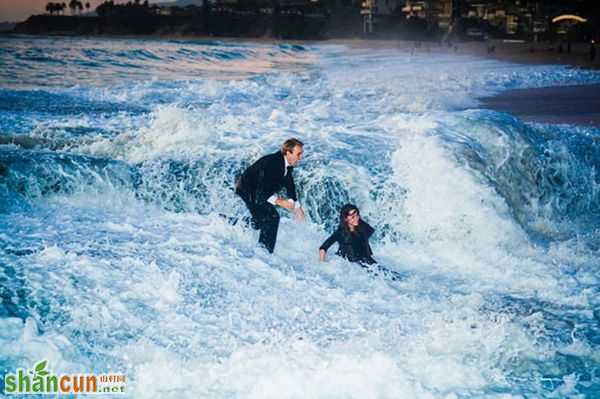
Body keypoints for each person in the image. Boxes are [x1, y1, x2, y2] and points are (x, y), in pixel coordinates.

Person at [236, 138, 305, 253]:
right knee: (271, 217)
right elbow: (261, 193)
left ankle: (231, 222)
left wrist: (297, 206)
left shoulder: (286, 163)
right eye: (298, 154)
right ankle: (264, 252)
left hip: (258, 190)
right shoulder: (273, 163)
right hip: (248, 190)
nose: (300, 157)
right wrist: (280, 202)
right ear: (288, 153)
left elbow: (289, 183)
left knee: (260, 222)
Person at [319, 204, 402, 281]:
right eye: (352, 216)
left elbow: (367, 235)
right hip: (353, 265)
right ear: (345, 219)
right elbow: (323, 248)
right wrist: (323, 266)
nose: (356, 218)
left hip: (366, 261)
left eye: (357, 214)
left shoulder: (362, 225)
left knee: (393, 277)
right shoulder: (340, 233)